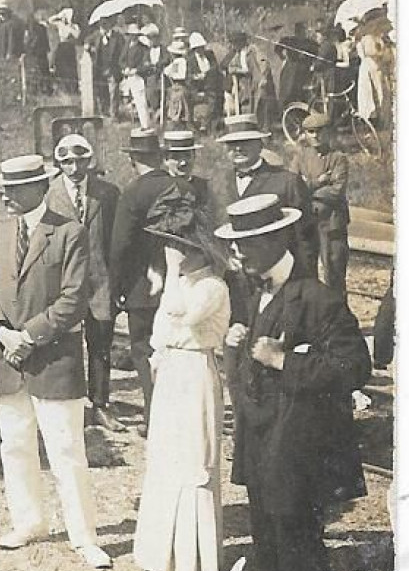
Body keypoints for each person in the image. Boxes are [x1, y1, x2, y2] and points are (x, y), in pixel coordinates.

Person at [218, 195, 370, 571]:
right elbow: (250, 372)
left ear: (272, 241)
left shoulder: (318, 298)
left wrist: (284, 360)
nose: (237, 254)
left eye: (245, 244)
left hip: (299, 449)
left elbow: (354, 366)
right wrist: (237, 350)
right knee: (270, 547)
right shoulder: (252, 290)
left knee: (301, 549)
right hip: (261, 443)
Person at [0, 155, 110, 569]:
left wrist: (28, 337)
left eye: (14, 189)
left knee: (66, 450)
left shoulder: (70, 233)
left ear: (40, 189)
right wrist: (3, 334)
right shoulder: (0, 232)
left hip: (52, 361)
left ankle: (84, 536)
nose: (5, 197)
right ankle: (29, 521)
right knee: (14, 445)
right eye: (4, 189)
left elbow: (73, 301)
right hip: (6, 359)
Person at [131, 185, 232, 571]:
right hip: (172, 373)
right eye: (171, 246)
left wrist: (170, 273)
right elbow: (159, 332)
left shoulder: (211, 288)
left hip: (194, 374)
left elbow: (180, 315)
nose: (173, 252)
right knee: (166, 458)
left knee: (193, 462)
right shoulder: (184, 281)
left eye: (180, 247)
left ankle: (193, 570)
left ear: (200, 252)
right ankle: (162, 555)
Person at [109, 129, 214, 421]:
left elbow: (120, 246)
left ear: (133, 160)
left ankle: (154, 413)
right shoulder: (186, 189)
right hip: (183, 281)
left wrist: (116, 287)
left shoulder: (132, 192)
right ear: (160, 156)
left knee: (143, 349)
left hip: (142, 288)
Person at [45, 134, 120, 424]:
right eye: (66, 162)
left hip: (100, 281)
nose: (74, 168)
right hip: (65, 283)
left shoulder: (107, 193)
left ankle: (100, 404)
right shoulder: (49, 195)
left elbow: (117, 240)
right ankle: (72, 404)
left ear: (89, 161)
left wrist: (117, 283)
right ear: (59, 164)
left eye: (79, 161)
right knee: (65, 344)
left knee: (101, 344)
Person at [214, 114, 318, 276]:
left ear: (260, 144)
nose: (238, 149)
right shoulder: (216, 183)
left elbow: (306, 238)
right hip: (231, 278)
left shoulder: (287, 182)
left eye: (245, 142)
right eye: (232, 144)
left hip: (278, 279)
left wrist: (303, 282)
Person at [289, 113, 351, 291]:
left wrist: (307, 188)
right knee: (307, 270)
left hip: (332, 223)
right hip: (308, 221)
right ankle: (314, 313)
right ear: (305, 134)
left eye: (320, 132)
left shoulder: (338, 158)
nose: (315, 136)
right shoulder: (301, 157)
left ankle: (338, 314)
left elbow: (336, 191)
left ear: (329, 133)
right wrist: (318, 182)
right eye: (310, 132)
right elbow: (294, 186)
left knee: (334, 270)